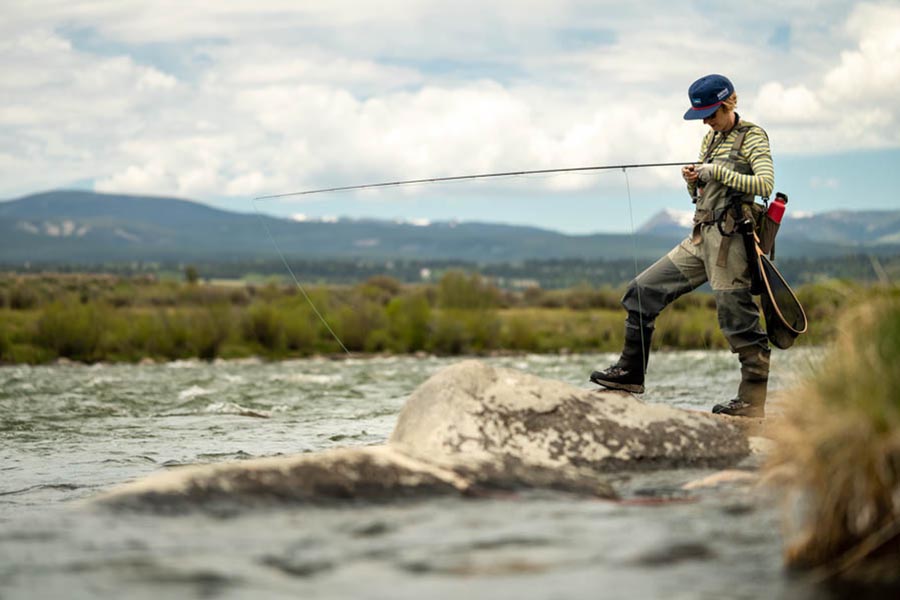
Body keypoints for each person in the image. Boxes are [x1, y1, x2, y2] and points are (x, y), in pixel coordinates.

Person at [590, 74, 774, 418]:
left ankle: (752, 401)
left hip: (731, 242)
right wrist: (692, 182)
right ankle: (630, 375)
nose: (706, 120)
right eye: (702, 115)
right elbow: (703, 194)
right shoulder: (709, 139)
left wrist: (715, 173)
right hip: (700, 237)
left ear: (728, 104)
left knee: (738, 320)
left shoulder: (753, 137)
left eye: (710, 113)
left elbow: (764, 183)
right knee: (641, 291)